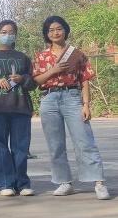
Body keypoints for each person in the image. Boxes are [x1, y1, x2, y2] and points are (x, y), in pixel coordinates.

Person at [32, 15, 109, 199]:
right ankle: (64, 182)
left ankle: (98, 182)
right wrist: (53, 70)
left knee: (84, 140)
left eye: (59, 29)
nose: (55, 33)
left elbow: (85, 80)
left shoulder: (77, 54)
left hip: (72, 97)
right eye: (51, 30)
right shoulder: (41, 56)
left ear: (65, 30)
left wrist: (86, 104)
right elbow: (36, 81)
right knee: (55, 144)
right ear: (46, 34)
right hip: (49, 98)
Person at [0, 20, 36, 196]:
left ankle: (22, 183)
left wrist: (22, 79)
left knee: (21, 148)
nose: (7, 35)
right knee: (0, 147)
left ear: (16, 35)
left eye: (11, 32)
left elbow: (33, 82)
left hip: (20, 107)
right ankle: (4, 183)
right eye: (4, 32)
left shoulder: (23, 58)